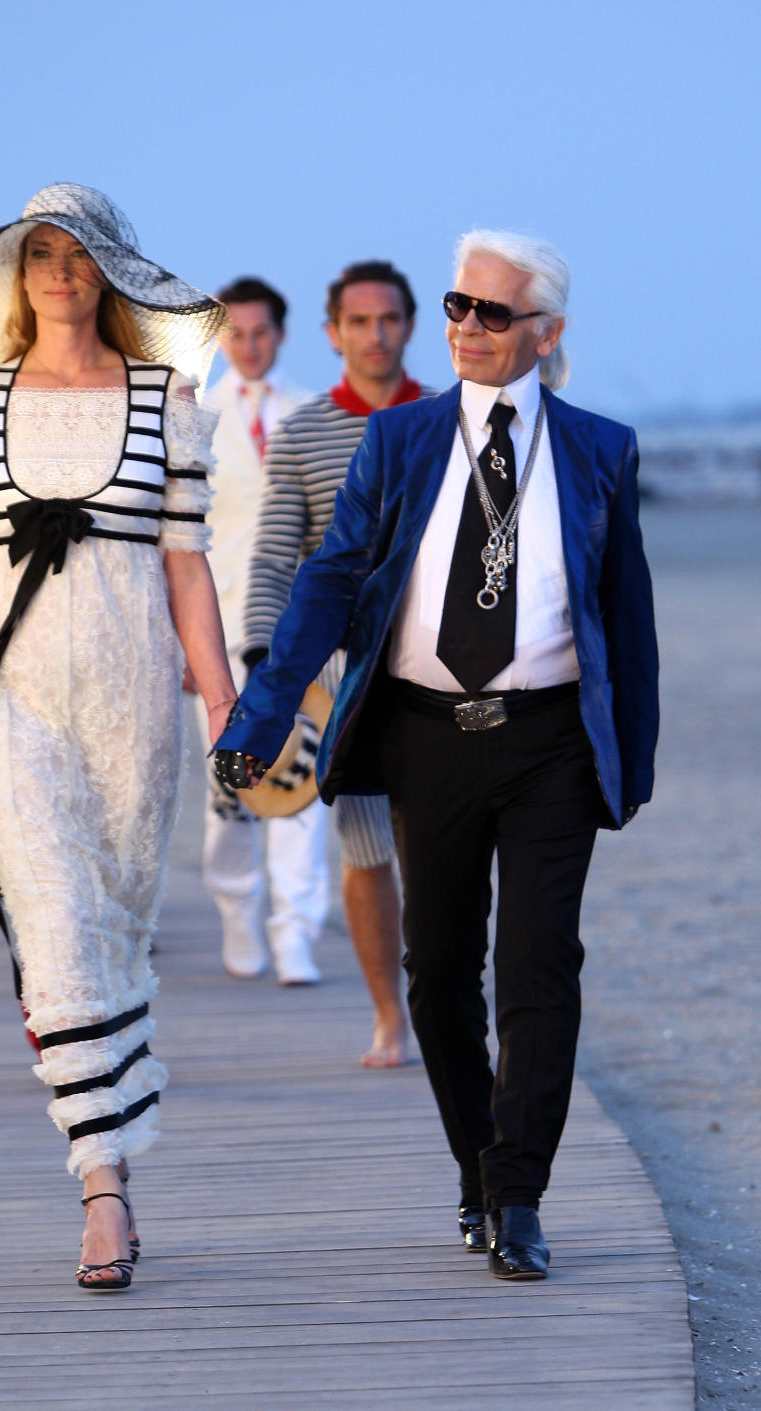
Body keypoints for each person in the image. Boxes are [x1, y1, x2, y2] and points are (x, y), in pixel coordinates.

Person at [215, 230, 659, 1281]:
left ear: (546, 333)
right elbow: (329, 576)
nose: (465, 326)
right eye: (458, 305)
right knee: (437, 973)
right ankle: (476, 1165)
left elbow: (625, 620)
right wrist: (261, 714)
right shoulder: (403, 440)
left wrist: (626, 763)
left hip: (549, 738)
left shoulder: (602, 448)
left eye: (492, 313)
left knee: (539, 964)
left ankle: (519, 1192)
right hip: (424, 735)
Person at [0, 184, 234, 1293]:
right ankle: (104, 1187)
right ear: (17, 276)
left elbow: (188, 568)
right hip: (5, 691)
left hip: (130, 696)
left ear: (111, 270)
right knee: (59, 932)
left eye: (79, 253)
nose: (60, 270)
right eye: (40, 254)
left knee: (115, 928)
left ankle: (111, 1142)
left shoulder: (169, 399)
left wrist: (225, 704)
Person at [241, 260, 432, 1066]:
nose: (375, 334)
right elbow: (276, 552)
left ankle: (445, 1000)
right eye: (358, 321)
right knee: (365, 850)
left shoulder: (449, 417)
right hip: (347, 677)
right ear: (333, 334)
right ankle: (390, 1014)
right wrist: (261, 658)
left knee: (443, 852)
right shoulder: (305, 432)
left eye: (388, 319)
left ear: (410, 325)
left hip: (443, 672)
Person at [200, 277, 327, 984]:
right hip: (215, 630)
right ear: (220, 339)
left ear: (280, 335)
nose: (249, 346)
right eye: (236, 333)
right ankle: (237, 911)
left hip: (299, 630)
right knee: (230, 785)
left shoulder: (312, 413)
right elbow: (176, 540)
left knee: (302, 779)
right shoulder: (195, 415)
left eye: (260, 332)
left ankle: (296, 929)